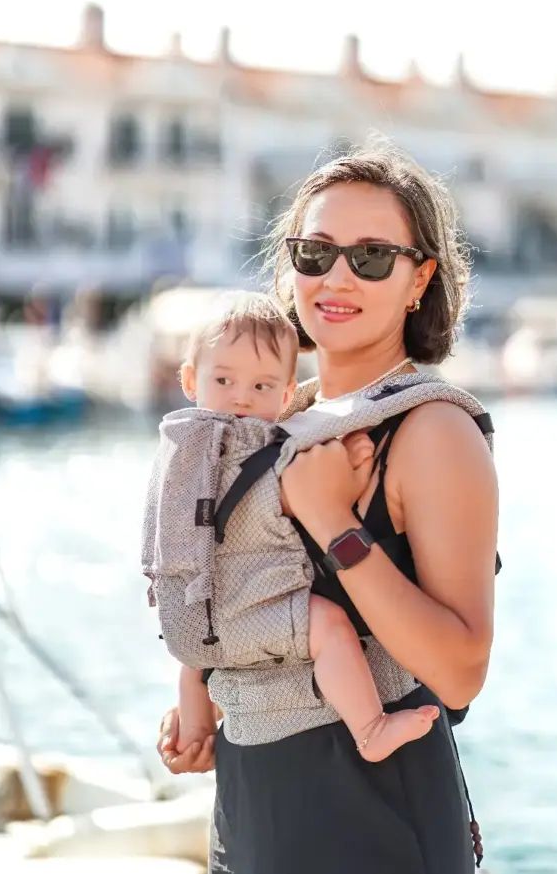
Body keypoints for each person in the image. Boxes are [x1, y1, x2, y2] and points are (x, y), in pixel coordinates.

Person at [157, 140, 499, 874]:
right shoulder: (279, 421)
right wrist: (208, 696)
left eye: (371, 256)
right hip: (253, 811)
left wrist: (334, 521)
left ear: (420, 278)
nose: (337, 276)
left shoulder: (431, 430)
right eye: (315, 253)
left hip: (376, 826)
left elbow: (461, 669)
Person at [172, 289, 441, 762]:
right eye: (224, 380)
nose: (241, 397)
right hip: (247, 603)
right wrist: (347, 469)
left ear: (286, 394)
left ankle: (194, 732)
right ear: (191, 380)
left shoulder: (184, 447)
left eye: (261, 387)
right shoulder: (220, 445)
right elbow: (283, 493)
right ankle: (371, 728)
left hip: (202, 611)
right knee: (331, 628)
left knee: (196, 654)